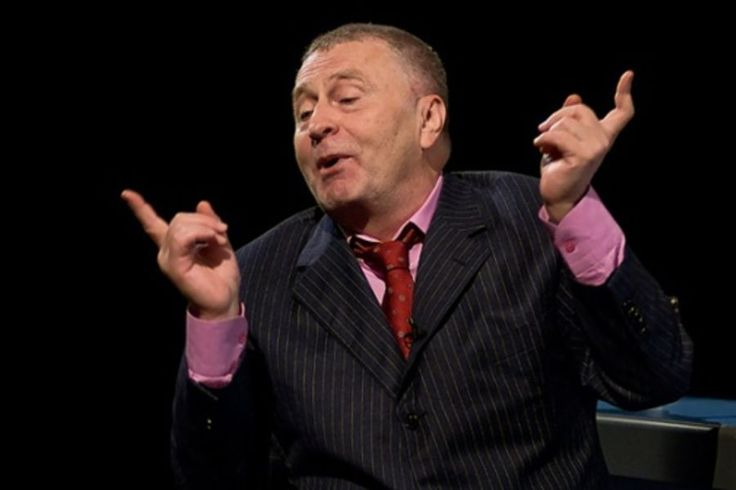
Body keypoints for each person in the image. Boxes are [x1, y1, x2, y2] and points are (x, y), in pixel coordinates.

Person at [122, 23, 693, 489]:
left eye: (347, 98)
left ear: (428, 119)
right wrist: (215, 322)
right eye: (303, 113)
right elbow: (212, 478)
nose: (318, 125)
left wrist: (576, 213)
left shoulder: (531, 219)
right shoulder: (255, 273)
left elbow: (654, 378)